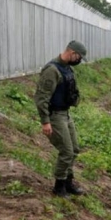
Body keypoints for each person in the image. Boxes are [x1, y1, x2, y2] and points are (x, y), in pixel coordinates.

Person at [34, 40, 87, 197]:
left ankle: (68, 182)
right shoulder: (52, 70)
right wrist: (45, 122)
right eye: (78, 57)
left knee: (74, 149)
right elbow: (41, 98)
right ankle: (59, 186)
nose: (79, 61)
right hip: (55, 116)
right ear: (72, 53)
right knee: (66, 151)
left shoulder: (67, 69)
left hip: (65, 114)